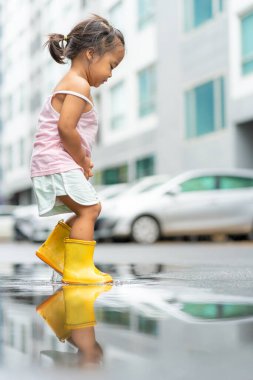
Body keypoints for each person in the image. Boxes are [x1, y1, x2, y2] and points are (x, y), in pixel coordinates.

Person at [30, 14, 125, 284]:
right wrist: (82, 161)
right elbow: (66, 129)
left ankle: (58, 251)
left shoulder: (74, 83)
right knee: (89, 209)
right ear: (91, 54)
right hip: (55, 160)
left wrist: (82, 159)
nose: (110, 74)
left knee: (89, 208)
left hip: (54, 160)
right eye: (111, 65)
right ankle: (78, 269)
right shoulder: (77, 83)